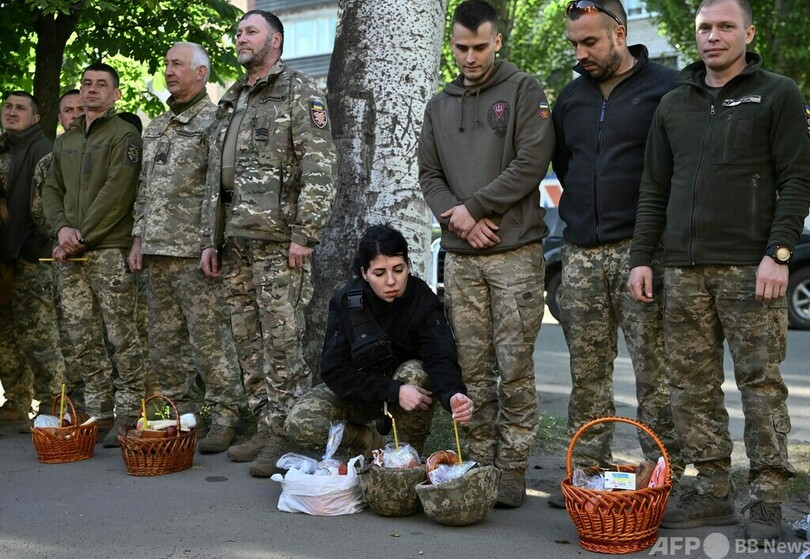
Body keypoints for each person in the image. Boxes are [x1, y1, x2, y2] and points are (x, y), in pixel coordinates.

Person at [628, 0, 810, 544]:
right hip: (682, 270)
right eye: (705, 27)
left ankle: (769, 497)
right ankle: (711, 491)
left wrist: (779, 255)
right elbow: (654, 188)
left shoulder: (777, 93)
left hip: (750, 269)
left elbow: (797, 180)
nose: (714, 36)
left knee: (760, 385)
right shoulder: (674, 103)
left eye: (725, 26)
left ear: (747, 33)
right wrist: (642, 257)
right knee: (691, 386)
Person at [418, 0, 554, 507]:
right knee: (472, 369)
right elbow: (428, 175)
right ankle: (480, 459)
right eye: (461, 48)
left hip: (514, 250)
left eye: (479, 47)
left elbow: (531, 161)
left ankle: (514, 469)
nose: (470, 57)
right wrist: (457, 217)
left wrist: (473, 209)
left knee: (515, 366)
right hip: (461, 255)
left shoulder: (523, 90)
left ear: (497, 41)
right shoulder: (439, 104)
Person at [548, 0, 682, 507]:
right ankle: (586, 470)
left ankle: (659, 475)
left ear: (619, 34)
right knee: (587, 371)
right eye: (574, 44)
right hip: (580, 252)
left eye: (591, 42)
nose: (580, 53)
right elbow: (566, 165)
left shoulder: (665, 88)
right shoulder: (570, 100)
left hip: (643, 251)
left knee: (656, 371)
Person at [200, 9, 337, 477]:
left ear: (275, 41)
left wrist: (306, 233)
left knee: (282, 340)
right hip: (234, 239)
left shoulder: (297, 90)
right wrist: (209, 239)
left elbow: (320, 165)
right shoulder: (233, 98)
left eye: (250, 31)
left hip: (279, 240)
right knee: (247, 339)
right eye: (238, 31)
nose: (240, 37)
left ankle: (288, 432)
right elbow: (214, 181)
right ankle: (263, 422)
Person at [129, 42, 247, 454]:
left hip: (194, 252)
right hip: (157, 250)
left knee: (209, 340)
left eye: (177, 63)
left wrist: (208, 243)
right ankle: (178, 415)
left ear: (201, 73)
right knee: (164, 343)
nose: (169, 69)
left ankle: (226, 415)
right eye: (166, 63)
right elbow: (145, 189)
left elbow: (216, 190)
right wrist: (139, 238)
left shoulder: (214, 122)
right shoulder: (158, 125)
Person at [286, 224, 474, 457]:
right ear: (364, 273)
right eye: (379, 273)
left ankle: (407, 452)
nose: (391, 281)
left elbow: (439, 354)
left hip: (408, 394)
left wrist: (453, 393)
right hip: (363, 392)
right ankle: (368, 440)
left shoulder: (422, 298)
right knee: (301, 422)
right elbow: (334, 370)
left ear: (409, 266)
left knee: (416, 371)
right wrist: (392, 390)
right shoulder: (346, 300)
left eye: (398, 269)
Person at [42, 62, 146, 447]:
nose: (92, 90)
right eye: (87, 83)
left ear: (115, 94)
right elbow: (51, 190)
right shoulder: (65, 140)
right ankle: (100, 410)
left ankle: (130, 412)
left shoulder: (125, 135)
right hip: (70, 252)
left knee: (121, 335)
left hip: (108, 250)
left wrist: (79, 235)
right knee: (81, 335)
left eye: (102, 85)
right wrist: (61, 230)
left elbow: (118, 193)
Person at [0, 91, 65, 428]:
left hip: (31, 258)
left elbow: (51, 207)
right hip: (4, 259)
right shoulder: (2, 148)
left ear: (36, 118)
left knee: (38, 337)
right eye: (7, 106)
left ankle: (56, 405)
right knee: (5, 335)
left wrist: (33, 247)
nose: (12, 112)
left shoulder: (44, 151)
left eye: (20, 108)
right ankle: (15, 402)